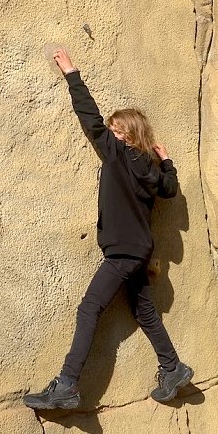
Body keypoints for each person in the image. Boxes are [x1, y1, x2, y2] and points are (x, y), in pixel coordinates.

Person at [23, 49, 192, 410]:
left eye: (116, 131)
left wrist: (71, 74)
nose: (110, 135)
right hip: (139, 251)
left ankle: (67, 385)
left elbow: (90, 118)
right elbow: (169, 189)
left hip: (122, 253)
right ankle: (173, 367)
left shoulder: (117, 154)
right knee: (145, 311)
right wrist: (167, 161)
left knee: (89, 309)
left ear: (126, 135)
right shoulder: (152, 167)